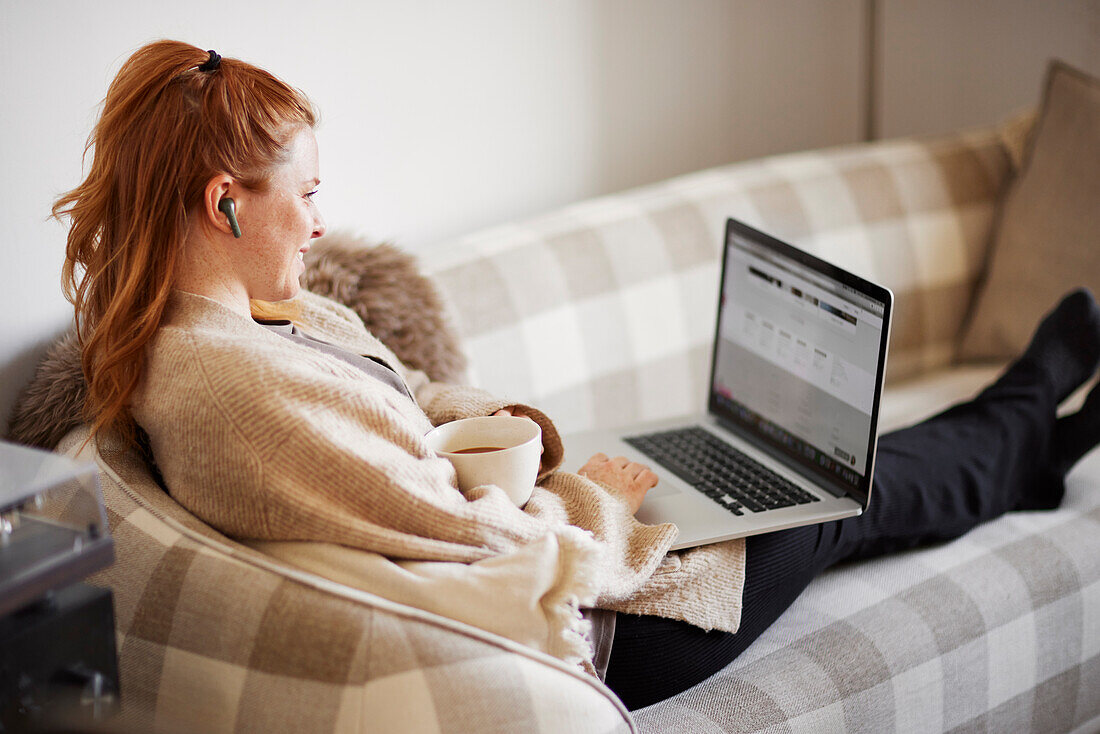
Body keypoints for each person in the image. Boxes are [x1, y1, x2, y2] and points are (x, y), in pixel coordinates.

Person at [55, 40, 1100, 711]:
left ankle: (1025, 443)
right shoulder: (230, 387)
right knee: (831, 496)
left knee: (782, 466)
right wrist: (610, 502)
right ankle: (1022, 409)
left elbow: (414, 400)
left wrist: (527, 435)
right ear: (226, 203)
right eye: (307, 193)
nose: (322, 219)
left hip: (564, 532)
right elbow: (479, 541)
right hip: (612, 628)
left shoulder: (247, 318)